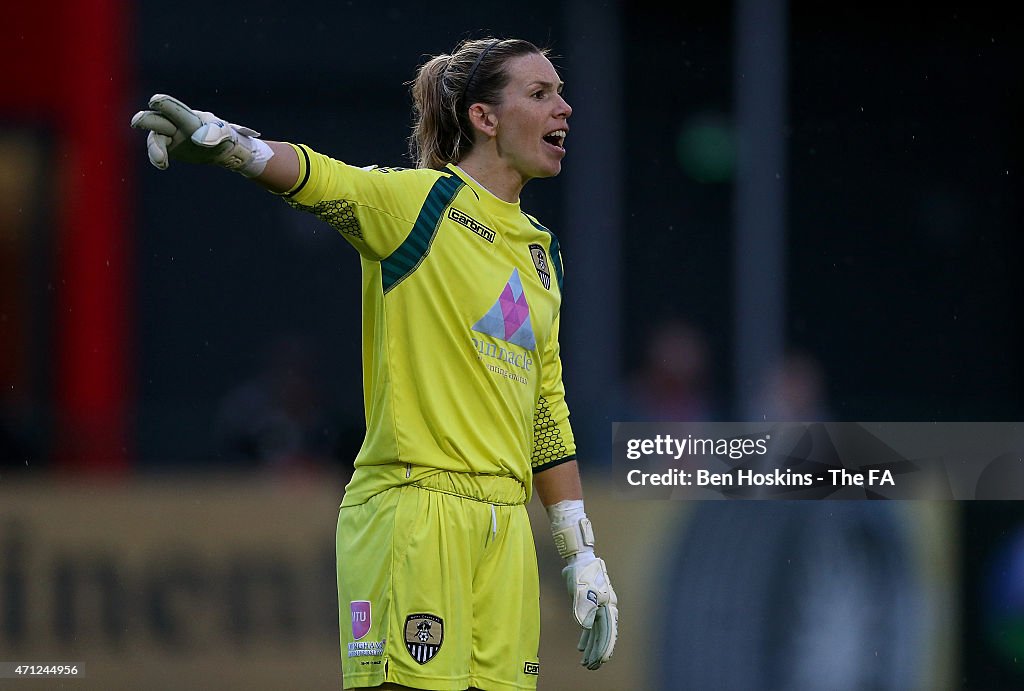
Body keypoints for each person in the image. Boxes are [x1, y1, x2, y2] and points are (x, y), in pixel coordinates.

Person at [131, 37, 617, 691]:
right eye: (540, 93)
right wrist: (230, 145)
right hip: (415, 512)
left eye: (560, 92)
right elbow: (322, 178)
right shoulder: (421, 203)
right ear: (484, 117)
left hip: (504, 532)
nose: (564, 107)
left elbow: (546, 412)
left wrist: (579, 551)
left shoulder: (542, 254)